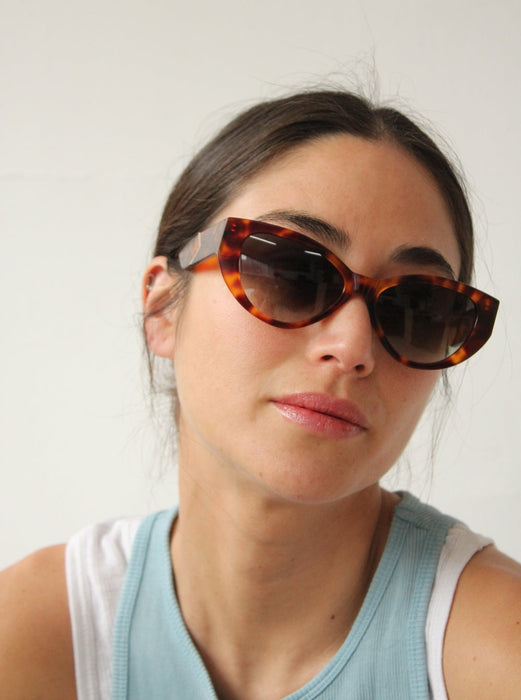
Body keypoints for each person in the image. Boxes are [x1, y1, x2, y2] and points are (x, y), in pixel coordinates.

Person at [0, 89, 519, 700]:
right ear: (163, 307)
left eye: (419, 307)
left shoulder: (495, 651)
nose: (353, 346)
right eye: (290, 272)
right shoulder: (37, 633)